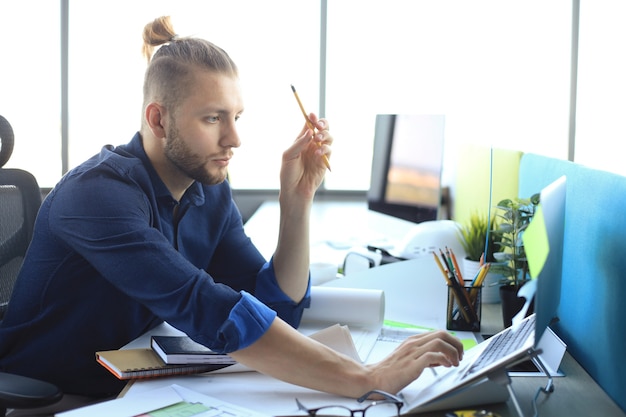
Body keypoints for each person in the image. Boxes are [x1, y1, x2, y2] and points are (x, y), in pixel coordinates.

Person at [0, 15, 463, 408]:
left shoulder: (207, 191)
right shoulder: (99, 196)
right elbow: (207, 307)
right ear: (158, 119)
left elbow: (276, 306)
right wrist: (364, 378)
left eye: (236, 117)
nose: (234, 139)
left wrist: (295, 202)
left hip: (130, 384)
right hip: (53, 397)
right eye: (212, 118)